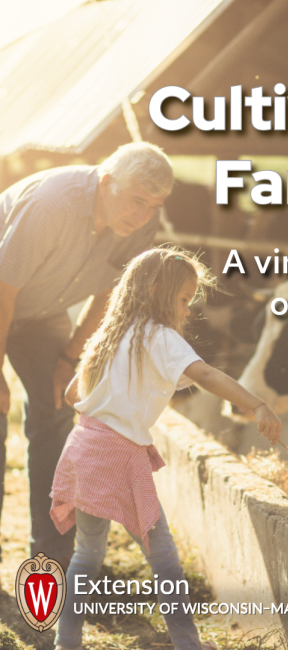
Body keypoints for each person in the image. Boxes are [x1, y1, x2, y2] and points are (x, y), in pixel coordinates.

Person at [50, 247, 281, 650]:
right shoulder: (159, 337)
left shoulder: (110, 333)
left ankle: (65, 641)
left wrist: (114, 400)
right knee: (164, 559)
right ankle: (188, 644)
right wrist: (257, 404)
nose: (187, 310)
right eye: (183, 300)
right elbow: (205, 374)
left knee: (86, 553)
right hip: (119, 455)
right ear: (157, 291)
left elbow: (73, 394)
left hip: (83, 446)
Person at [0, 142, 174, 566]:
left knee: (60, 406)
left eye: (154, 206)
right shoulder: (50, 205)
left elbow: (111, 293)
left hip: (42, 312)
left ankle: (52, 558)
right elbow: (4, 287)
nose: (143, 214)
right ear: (107, 180)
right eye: (137, 200)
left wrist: (70, 360)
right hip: (4, 296)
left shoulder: (138, 225)